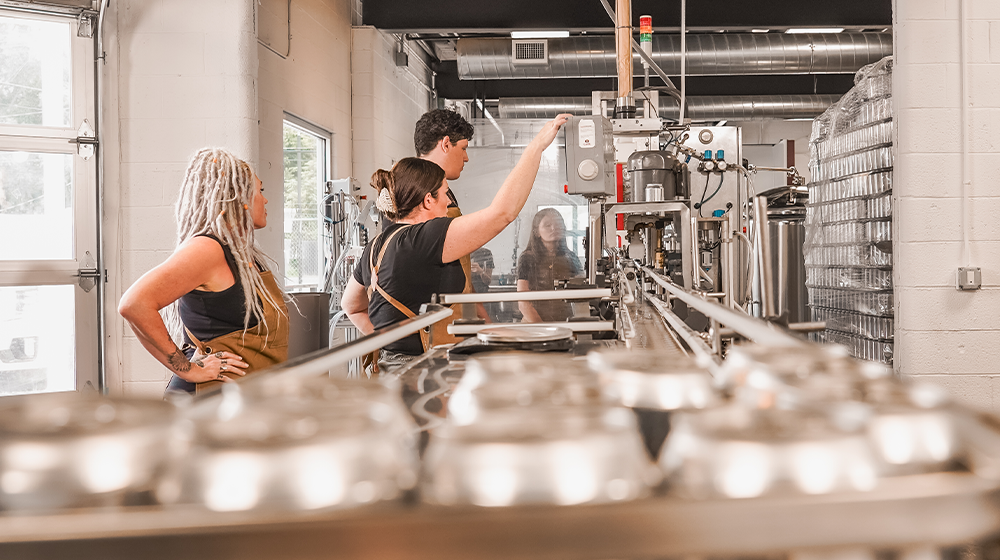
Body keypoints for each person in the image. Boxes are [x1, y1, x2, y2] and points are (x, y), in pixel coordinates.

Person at [341, 115, 570, 368]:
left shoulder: (378, 243)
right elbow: (502, 214)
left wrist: (388, 342)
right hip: (420, 368)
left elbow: (350, 306)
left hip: (390, 366)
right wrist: (535, 147)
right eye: (443, 193)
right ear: (428, 200)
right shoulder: (425, 237)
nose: (449, 202)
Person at [119, 148, 288, 395]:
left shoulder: (240, 252)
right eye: (259, 191)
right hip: (205, 400)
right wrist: (187, 369)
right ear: (237, 196)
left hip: (238, 401)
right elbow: (134, 304)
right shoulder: (207, 249)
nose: (265, 199)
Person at [517, 208, 583, 323]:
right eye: (548, 225)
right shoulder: (527, 258)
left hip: (565, 323)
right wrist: (543, 328)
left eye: (558, 224)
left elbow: (582, 293)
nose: (554, 228)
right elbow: (523, 303)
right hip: (533, 325)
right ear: (536, 232)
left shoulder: (571, 257)